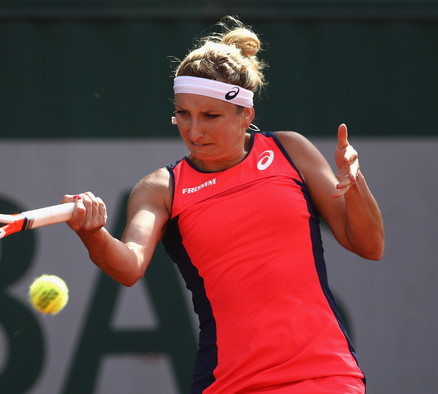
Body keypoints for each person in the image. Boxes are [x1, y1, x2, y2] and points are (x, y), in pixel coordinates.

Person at [62, 16, 384, 394]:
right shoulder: (162, 188)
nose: (194, 131)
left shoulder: (290, 151)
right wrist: (93, 234)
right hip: (231, 383)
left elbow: (369, 245)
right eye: (183, 113)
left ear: (246, 114)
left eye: (210, 116)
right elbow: (129, 265)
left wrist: (353, 182)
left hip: (327, 375)